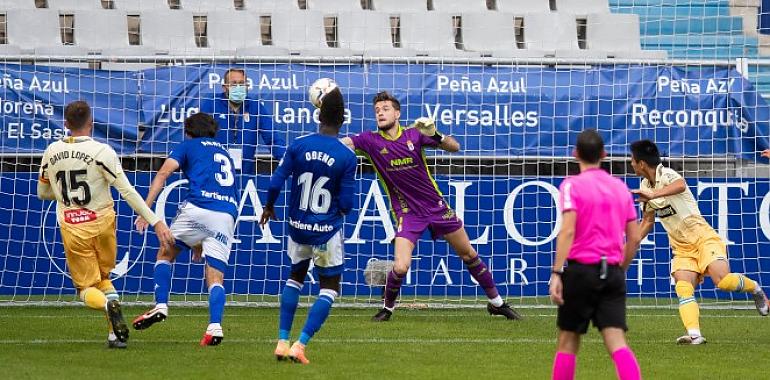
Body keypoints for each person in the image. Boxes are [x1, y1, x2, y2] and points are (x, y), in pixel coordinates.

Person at [341, 91, 521, 321]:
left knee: (468, 254)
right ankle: (387, 309)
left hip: (437, 207)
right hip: (407, 213)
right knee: (401, 266)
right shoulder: (369, 140)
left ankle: (497, 303)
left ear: (397, 113)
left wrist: (435, 134)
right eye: (377, 110)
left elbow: (455, 147)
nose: (380, 113)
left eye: (385, 109)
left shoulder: (415, 134)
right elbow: (343, 144)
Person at [37, 100, 175, 349]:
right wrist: (155, 221)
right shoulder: (103, 152)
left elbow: (42, 192)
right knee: (104, 278)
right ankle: (113, 335)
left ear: (66, 124)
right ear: (91, 123)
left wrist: (62, 193)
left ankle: (105, 304)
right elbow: (127, 191)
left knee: (87, 288)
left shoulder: (51, 152)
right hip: (103, 223)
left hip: (73, 226)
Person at [631, 139, 769, 345]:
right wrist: (630, 242)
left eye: (633, 160)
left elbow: (681, 185)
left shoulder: (667, 175)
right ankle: (695, 334)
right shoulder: (644, 186)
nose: (631, 164)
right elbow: (648, 222)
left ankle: (756, 289)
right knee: (683, 286)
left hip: (702, 237)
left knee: (722, 280)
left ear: (642, 163)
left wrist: (654, 194)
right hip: (681, 247)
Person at [261, 86, 357, 364]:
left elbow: (276, 181)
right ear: (342, 121)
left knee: (295, 277)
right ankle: (300, 345)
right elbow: (348, 203)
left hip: (297, 227)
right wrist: (334, 213)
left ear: (318, 117)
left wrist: (269, 206)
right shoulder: (346, 155)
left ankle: (281, 341)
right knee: (329, 288)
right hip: (326, 230)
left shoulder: (298, 144)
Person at [132, 112, 239, 346]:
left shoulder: (188, 146)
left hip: (199, 207)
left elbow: (163, 174)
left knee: (166, 251)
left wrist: (144, 210)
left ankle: (161, 305)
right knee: (216, 276)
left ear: (188, 132)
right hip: (227, 214)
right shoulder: (224, 152)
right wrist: (201, 240)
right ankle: (215, 327)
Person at [549, 129, 642, 380]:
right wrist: (620, 269)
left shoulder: (571, 185)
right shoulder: (620, 187)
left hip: (581, 271)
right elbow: (633, 237)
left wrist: (557, 272)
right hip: (611, 271)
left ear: (575, 154)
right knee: (617, 343)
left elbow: (567, 231)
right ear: (604, 154)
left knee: (568, 341)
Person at [199, 68, 286, 175]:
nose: (238, 87)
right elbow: (199, 139)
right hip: (213, 172)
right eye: (234, 84)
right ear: (224, 87)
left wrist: (286, 161)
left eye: (242, 83)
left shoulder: (256, 107)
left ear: (247, 86)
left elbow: (273, 139)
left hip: (245, 174)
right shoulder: (211, 105)